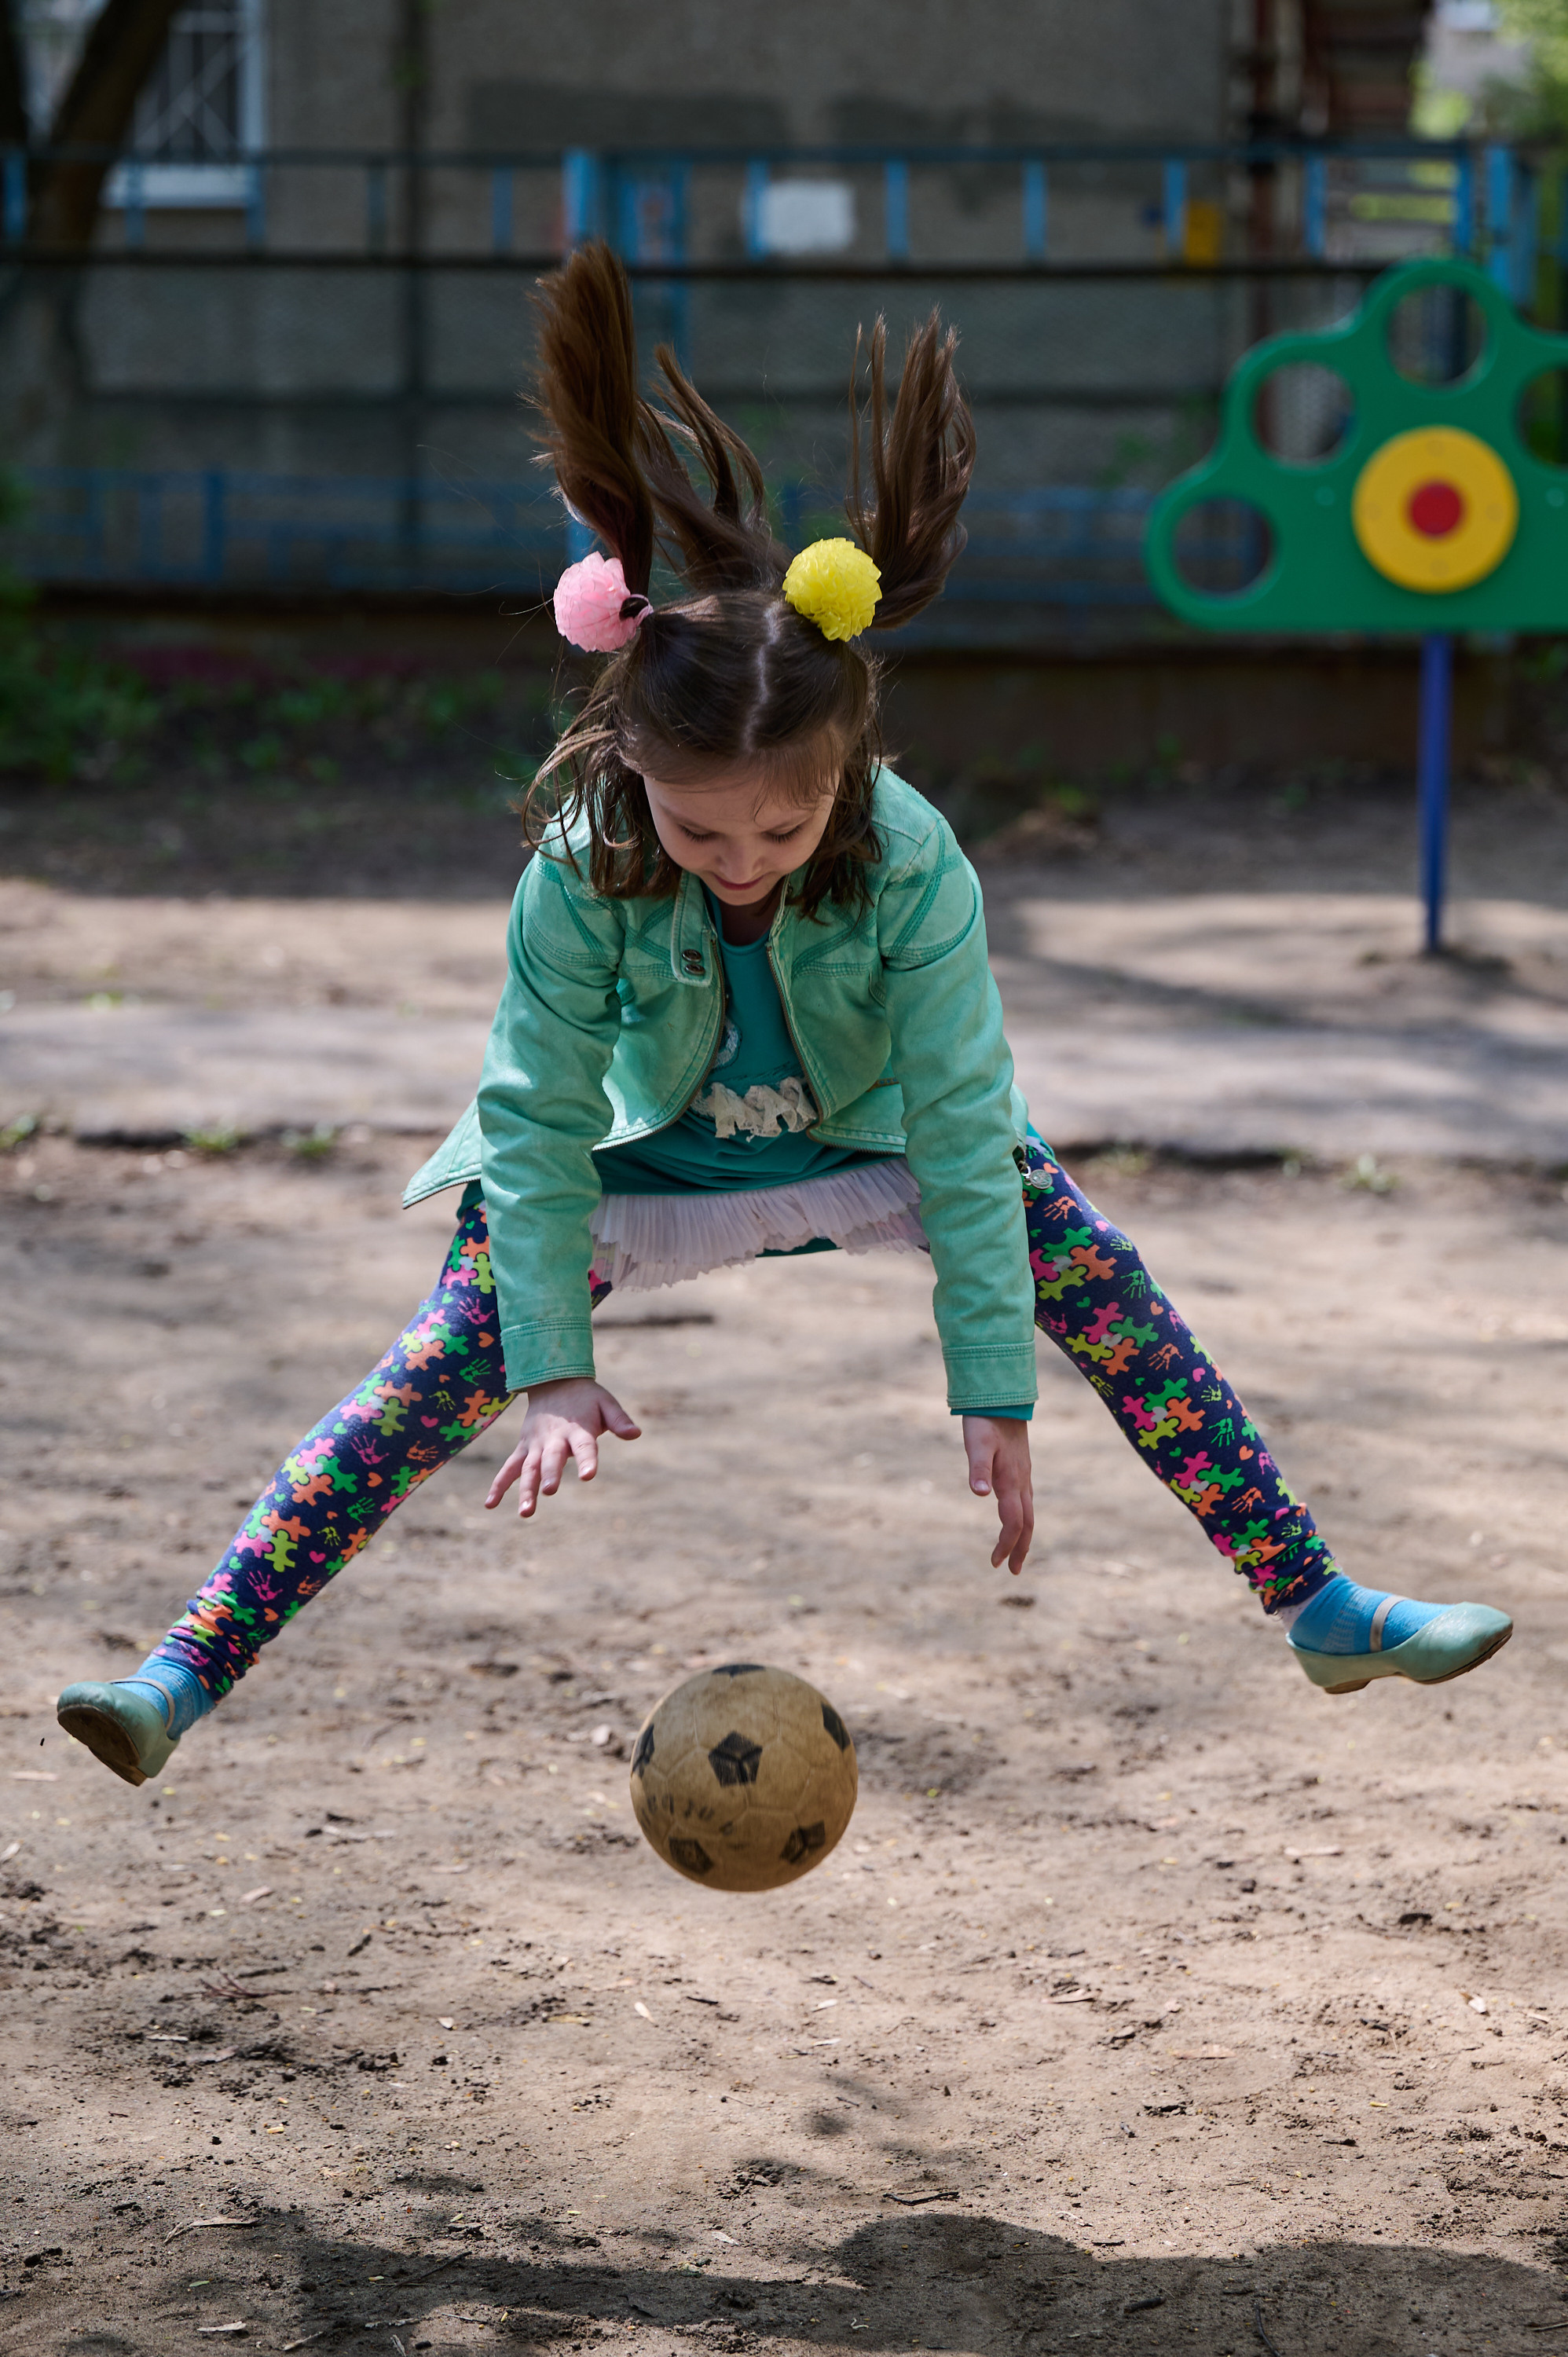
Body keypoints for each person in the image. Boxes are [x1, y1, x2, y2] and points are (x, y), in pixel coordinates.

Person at [57, 244, 1511, 1791]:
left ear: (847, 776)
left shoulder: (911, 858)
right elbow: (535, 1115)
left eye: (783, 826)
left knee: (1105, 1284)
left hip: (867, 1139)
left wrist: (993, 1386)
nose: (741, 859)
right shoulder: (581, 866)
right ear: (634, 769)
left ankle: (1318, 1605)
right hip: (636, 1162)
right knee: (420, 1381)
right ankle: (179, 1673)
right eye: (699, 830)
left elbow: (962, 1115)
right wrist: (547, 1363)